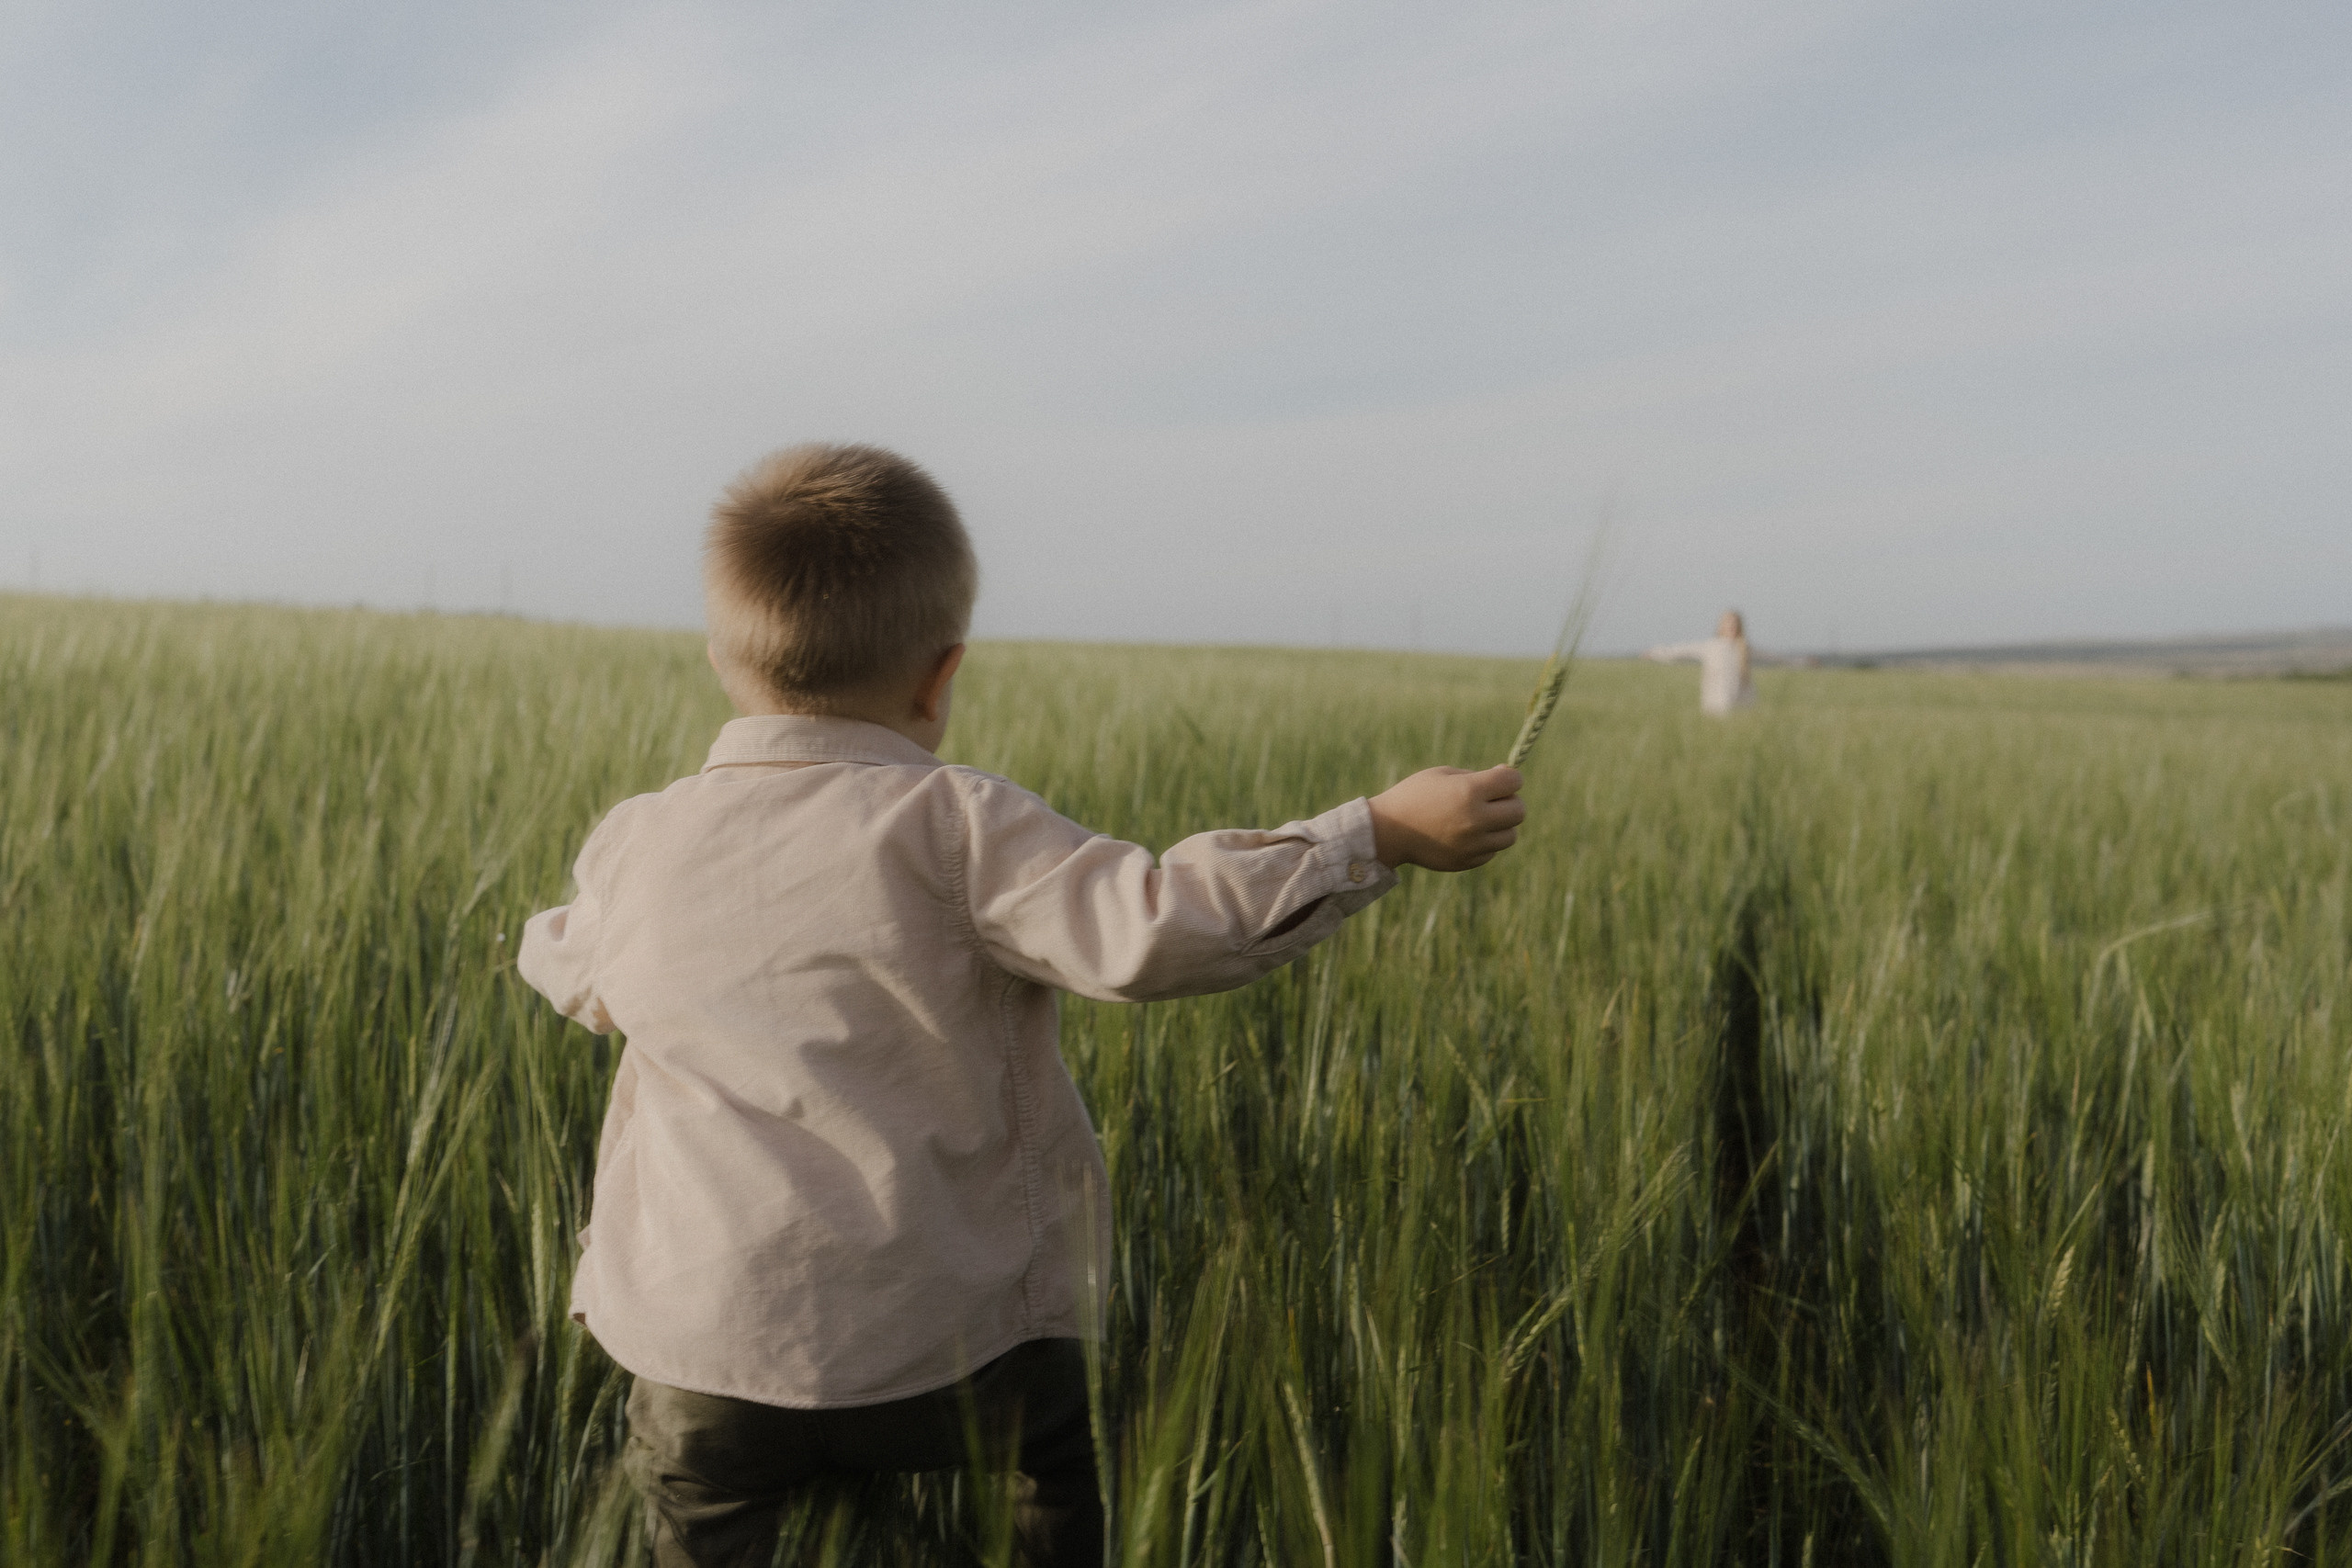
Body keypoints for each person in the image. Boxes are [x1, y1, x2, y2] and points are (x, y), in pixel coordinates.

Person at [517, 443, 1527, 1567]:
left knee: (696, 1520)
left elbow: (564, 966)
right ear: (941, 674)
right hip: (960, 1346)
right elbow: (1155, 923)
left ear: (721, 660)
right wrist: (1371, 835)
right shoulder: (957, 826)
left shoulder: (637, 841)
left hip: (706, 1351)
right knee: (1063, 1462)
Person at [1645, 609, 1756, 716]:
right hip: (1716, 703)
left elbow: (1768, 657)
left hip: (1740, 705)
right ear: (1721, 626)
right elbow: (1683, 651)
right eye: (1729, 623)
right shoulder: (1711, 646)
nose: (1733, 627)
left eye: (1735, 624)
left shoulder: (1744, 648)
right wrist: (1655, 653)